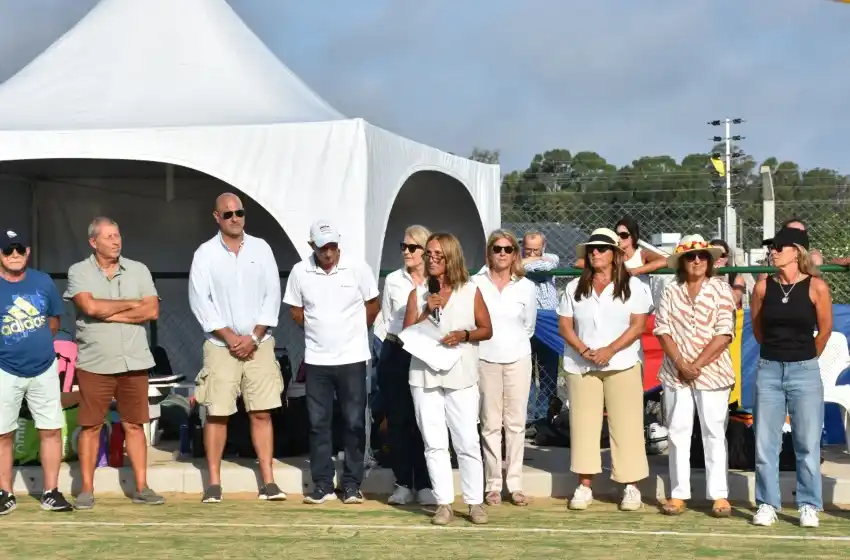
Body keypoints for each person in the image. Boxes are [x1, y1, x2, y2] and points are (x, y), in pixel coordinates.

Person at [188, 193, 286, 504]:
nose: (235, 218)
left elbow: (273, 294)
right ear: (216, 217)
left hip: (260, 345)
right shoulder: (204, 253)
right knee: (216, 413)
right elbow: (199, 300)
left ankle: (268, 481)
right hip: (220, 346)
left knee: (261, 412)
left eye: (239, 213)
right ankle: (214, 483)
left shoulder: (262, 248)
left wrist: (255, 336)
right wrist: (231, 337)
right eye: (228, 214)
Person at [64, 217, 164, 509]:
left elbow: (153, 310)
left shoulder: (139, 269)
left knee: (135, 424)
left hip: (134, 360)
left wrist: (108, 311)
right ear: (93, 242)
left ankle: (142, 487)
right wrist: (132, 304)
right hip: (95, 362)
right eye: (108, 237)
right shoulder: (78, 271)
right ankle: (86, 489)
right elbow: (90, 306)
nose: (116, 241)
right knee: (91, 426)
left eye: (118, 235)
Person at [283, 220, 380, 505]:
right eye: (323, 247)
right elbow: (295, 310)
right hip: (317, 360)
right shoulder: (300, 272)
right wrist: (316, 332)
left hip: (352, 359)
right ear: (312, 246)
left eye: (333, 246)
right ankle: (323, 485)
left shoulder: (358, 267)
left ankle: (351, 485)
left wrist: (353, 332)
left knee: (353, 422)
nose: (329, 252)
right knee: (317, 423)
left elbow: (373, 304)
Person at [558, 228, 651, 512]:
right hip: (580, 365)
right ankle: (584, 486)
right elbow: (565, 326)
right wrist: (586, 351)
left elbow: (638, 326)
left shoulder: (635, 287)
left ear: (615, 255)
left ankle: (631, 487)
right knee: (583, 426)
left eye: (602, 248)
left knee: (627, 425)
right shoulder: (574, 287)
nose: (595, 252)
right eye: (592, 249)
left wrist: (609, 350)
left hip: (622, 363)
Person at [403, 232, 492, 526]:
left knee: (466, 439)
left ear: (451, 257)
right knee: (434, 442)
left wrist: (464, 335)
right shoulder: (417, 293)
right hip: (424, 375)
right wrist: (428, 308)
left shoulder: (470, 290)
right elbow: (406, 335)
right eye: (428, 254)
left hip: (461, 372)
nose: (431, 259)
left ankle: (475, 502)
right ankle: (444, 503)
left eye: (437, 254)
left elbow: (486, 328)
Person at [750, 226, 832, 528]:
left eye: (778, 247)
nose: (772, 251)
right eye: (771, 248)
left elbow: (824, 331)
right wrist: (777, 355)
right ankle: (767, 504)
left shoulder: (817, 287)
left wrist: (805, 359)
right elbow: (758, 330)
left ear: (796, 252)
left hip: (805, 371)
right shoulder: (762, 287)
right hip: (769, 369)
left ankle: (809, 504)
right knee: (765, 443)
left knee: (807, 443)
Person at [654, 235, 736, 517]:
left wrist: (696, 364)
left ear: (710, 261)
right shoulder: (669, 290)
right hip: (675, 371)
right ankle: (678, 494)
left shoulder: (721, 290)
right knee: (677, 432)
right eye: (691, 257)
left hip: (712, 372)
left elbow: (725, 332)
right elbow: (662, 329)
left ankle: (719, 495)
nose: (698, 261)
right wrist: (680, 363)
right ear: (682, 262)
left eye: (703, 256)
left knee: (713, 431)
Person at [0, 229, 73, 514]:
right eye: (8, 250)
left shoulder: (43, 281)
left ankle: (51, 492)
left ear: (27, 251)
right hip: (4, 369)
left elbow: (53, 321)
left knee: (51, 430)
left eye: (19, 249)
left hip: (44, 367)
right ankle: (5, 493)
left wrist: (37, 347)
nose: (15, 255)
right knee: (3, 433)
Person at [474, 230, 537, 507]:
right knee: (489, 424)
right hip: (485, 358)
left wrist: (512, 345)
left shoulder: (527, 287)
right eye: (497, 249)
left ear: (515, 254)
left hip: (518, 358)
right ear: (489, 252)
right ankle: (492, 485)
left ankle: (515, 483)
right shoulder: (475, 283)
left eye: (508, 249)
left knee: (515, 424)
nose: (502, 254)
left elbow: (529, 326)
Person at [379, 225, 436, 506]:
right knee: (399, 420)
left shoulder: (438, 281)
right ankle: (402, 483)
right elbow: (391, 319)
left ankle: (425, 483)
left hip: (427, 354)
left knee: (425, 420)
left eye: (412, 247)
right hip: (397, 351)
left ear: (426, 251)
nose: (406, 252)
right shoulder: (392, 280)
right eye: (403, 246)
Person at [520, 231, 560, 422]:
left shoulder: (551, 257)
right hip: (524, 320)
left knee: (548, 372)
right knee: (524, 372)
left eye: (536, 250)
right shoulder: (518, 260)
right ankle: (528, 416)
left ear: (544, 248)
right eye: (527, 250)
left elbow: (544, 266)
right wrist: (523, 263)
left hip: (548, 319)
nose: (532, 254)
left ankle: (545, 415)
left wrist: (519, 264)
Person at [709, 239, 748, 309]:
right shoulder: (702, 274)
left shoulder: (736, 276)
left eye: (722, 255)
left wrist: (719, 279)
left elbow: (734, 300)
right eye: (714, 254)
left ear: (726, 257)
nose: (718, 258)